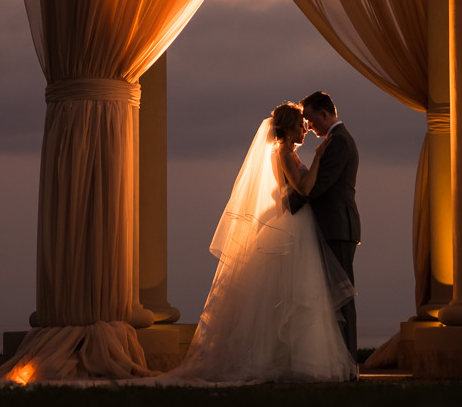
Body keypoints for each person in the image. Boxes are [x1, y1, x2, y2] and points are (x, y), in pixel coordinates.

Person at [153, 100, 356, 383]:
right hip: (294, 228)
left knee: (296, 297)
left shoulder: (287, 153)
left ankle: (293, 359)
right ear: (287, 129)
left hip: (297, 224)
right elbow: (305, 188)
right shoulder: (284, 154)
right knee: (297, 296)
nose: (306, 130)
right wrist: (320, 158)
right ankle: (291, 361)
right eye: (301, 125)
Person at [286, 90, 360, 355]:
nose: (308, 125)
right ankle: (340, 358)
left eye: (310, 119)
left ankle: (349, 362)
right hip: (333, 225)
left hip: (337, 226)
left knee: (342, 296)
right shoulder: (334, 140)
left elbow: (320, 186)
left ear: (324, 113)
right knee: (334, 295)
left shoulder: (338, 142)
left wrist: (289, 206)